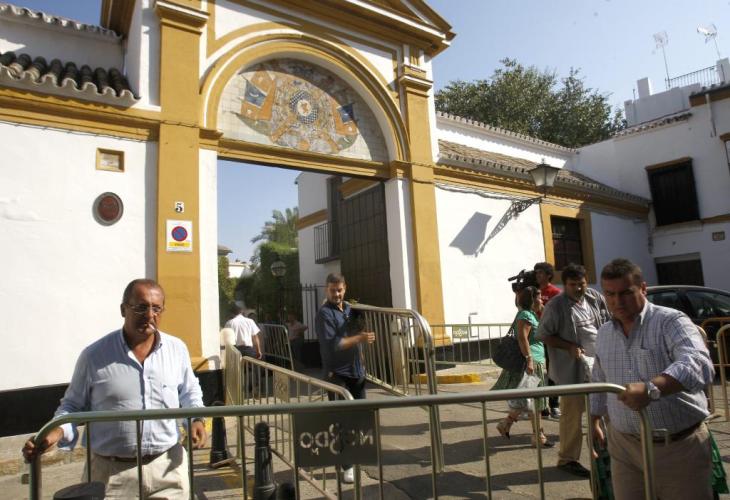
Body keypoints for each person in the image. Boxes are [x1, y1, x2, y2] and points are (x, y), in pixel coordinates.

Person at [22, 279, 206, 499]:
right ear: (123, 309)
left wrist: (196, 418)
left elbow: (189, 391)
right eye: (140, 307)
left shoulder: (177, 349)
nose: (150, 315)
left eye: (157, 308)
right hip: (111, 476)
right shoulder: (94, 356)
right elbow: (72, 406)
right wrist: (55, 432)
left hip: (168, 469)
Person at [590, 258, 715, 499]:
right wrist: (594, 418)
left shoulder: (671, 320)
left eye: (626, 293)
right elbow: (600, 376)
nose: (617, 301)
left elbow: (698, 363)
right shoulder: (605, 332)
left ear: (643, 289)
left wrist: (651, 389)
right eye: (610, 294)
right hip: (624, 448)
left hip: (678, 448)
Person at [537, 263, 610, 478]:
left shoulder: (594, 298)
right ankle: (567, 459)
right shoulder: (556, 305)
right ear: (565, 284)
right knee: (572, 416)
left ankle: (605, 455)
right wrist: (569, 346)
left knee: (604, 411)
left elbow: (607, 321)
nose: (579, 288)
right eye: (573, 285)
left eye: (582, 284)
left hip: (598, 365)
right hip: (572, 371)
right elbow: (543, 334)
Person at [315, 272, 375, 484]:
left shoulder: (349, 309)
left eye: (339, 290)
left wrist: (361, 356)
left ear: (345, 288)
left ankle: (352, 456)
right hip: (337, 375)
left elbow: (353, 339)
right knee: (342, 422)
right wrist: (360, 338)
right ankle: (346, 465)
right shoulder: (324, 314)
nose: (337, 294)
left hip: (356, 372)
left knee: (359, 419)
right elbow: (335, 345)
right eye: (333, 290)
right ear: (326, 290)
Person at [493, 286, 554, 448]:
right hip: (532, 363)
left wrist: (541, 308)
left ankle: (506, 424)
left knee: (530, 400)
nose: (542, 300)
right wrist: (529, 360)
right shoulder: (526, 315)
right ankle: (538, 436)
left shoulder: (531, 314)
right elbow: (522, 338)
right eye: (539, 297)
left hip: (537, 361)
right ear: (532, 299)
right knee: (536, 401)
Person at [534, 261, 562, 419]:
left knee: (552, 371)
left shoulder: (555, 292)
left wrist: (542, 307)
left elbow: (556, 315)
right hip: (535, 336)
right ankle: (541, 405)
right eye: (536, 273)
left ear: (548, 275)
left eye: (540, 273)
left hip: (550, 335)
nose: (537, 276)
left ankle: (554, 404)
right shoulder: (534, 291)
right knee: (538, 371)